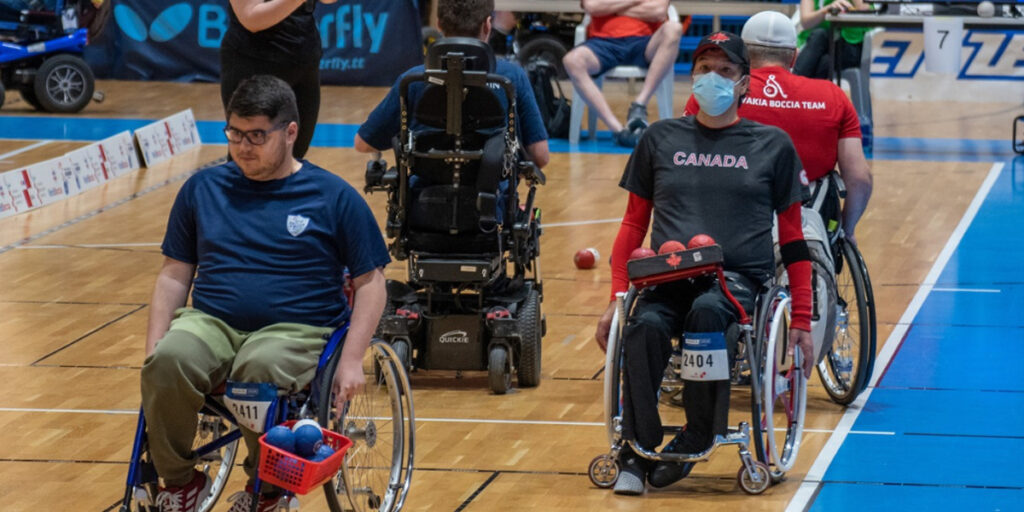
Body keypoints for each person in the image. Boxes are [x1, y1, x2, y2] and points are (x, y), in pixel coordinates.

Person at [142, 75, 390, 512]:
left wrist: (352, 360)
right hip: (212, 323)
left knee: (256, 368)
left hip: (297, 330)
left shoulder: (333, 196)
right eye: (235, 133)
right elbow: (174, 276)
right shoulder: (202, 189)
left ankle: (268, 488)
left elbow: (372, 284)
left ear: (290, 132)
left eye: (256, 135)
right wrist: (154, 349)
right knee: (166, 361)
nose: (243, 146)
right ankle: (180, 483)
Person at [595, 32, 815, 495]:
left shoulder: (773, 145)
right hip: (667, 276)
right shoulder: (659, 138)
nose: (712, 78)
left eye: (725, 71)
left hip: (736, 282)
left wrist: (801, 316)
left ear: (745, 83)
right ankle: (637, 447)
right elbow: (632, 226)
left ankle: (698, 432)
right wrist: (616, 298)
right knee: (644, 326)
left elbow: (794, 239)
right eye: (703, 69)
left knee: (708, 313)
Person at [683, 10, 872, 242]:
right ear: (794, 57)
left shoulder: (714, 94)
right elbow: (859, 178)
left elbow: (683, 164)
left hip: (726, 222)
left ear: (743, 56)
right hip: (805, 222)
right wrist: (846, 229)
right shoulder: (834, 96)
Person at [354, 0, 548, 168]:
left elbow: (363, 143)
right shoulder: (511, 77)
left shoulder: (413, 80)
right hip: (493, 195)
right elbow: (540, 156)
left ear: (439, 25)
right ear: (488, 25)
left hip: (423, 194)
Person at [221, 0, 338, 160]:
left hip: (304, 59)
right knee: (250, 155)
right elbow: (251, 19)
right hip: (254, 62)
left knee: (293, 155)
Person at [562, 0, 682, 147]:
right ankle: (619, 131)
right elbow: (592, 6)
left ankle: (639, 104)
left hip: (646, 42)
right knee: (572, 61)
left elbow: (658, 12)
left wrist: (610, 9)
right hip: (603, 43)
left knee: (674, 29)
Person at [792, 0, 872, 79]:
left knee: (823, 60)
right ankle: (796, 83)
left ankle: (793, 82)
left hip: (851, 47)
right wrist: (827, 10)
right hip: (821, 48)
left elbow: (864, 8)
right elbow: (806, 22)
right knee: (823, 60)